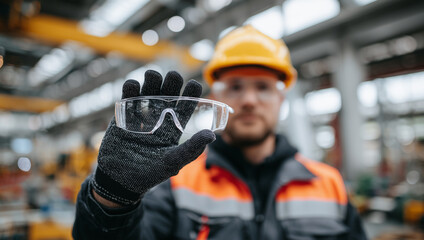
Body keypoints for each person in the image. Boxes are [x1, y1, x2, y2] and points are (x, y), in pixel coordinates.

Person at [72, 25, 367, 239]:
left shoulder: (330, 185)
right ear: (215, 97)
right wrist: (114, 197)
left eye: (263, 87)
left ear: (281, 98)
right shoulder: (176, 185)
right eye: (235, 87)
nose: (249, 100)